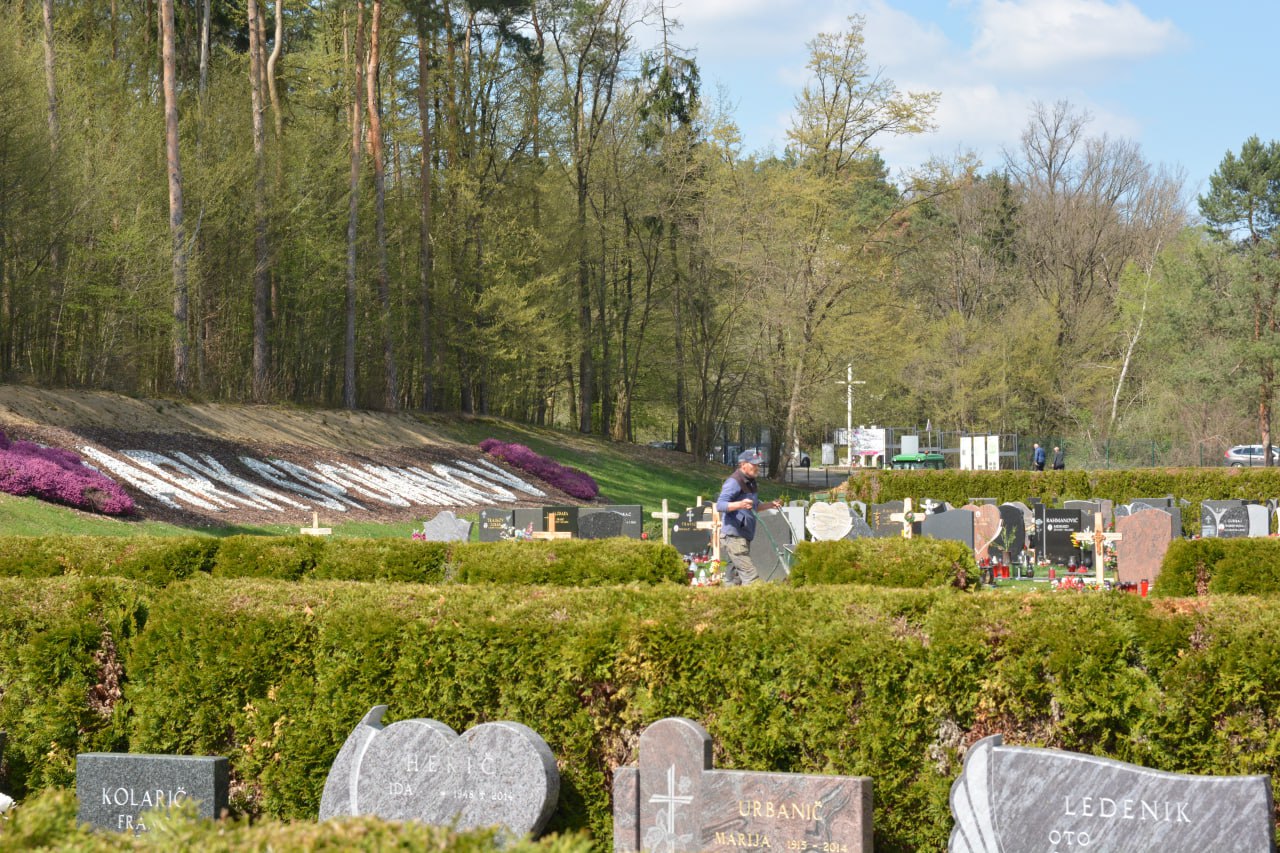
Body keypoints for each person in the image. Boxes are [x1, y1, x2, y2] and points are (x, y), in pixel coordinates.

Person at [716, 449, 781, 585]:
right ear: (743, 464)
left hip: (743, 536)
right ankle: (759, 596)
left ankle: (729, 596)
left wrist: (770, 505)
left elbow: (753, 507)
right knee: (750, 577)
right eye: (753, 464)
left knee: (733, 578)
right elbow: (720, 505)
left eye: (758, 465)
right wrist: (739, 504)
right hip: (734, 536)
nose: (757, 467)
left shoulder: (751, 482)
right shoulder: (734, 481)